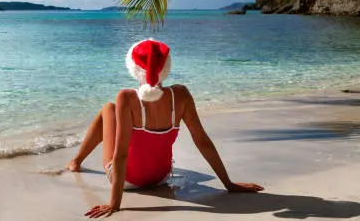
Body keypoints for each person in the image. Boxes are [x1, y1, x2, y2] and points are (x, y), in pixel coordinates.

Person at [67, 39, 264, 218]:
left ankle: (76, 162)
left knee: (108, 108)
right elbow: (202, 141)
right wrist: (228, 184)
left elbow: (120, 155)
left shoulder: (126, 98)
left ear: (133, 67)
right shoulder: (181, 94)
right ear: (166, 67)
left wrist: (114, 204)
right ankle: (77, 161)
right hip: (161, 177)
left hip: (128, 182)